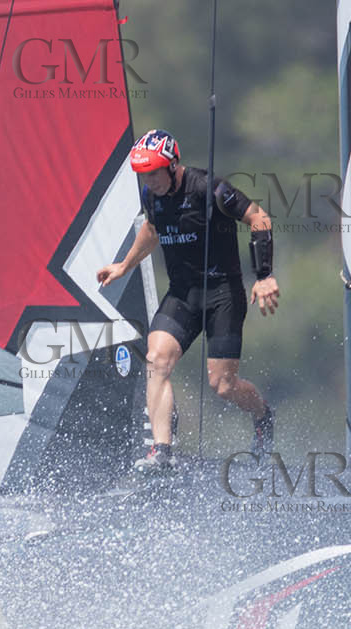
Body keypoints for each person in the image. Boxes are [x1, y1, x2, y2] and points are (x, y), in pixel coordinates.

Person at [96, 129, 280, 473]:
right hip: (183, 294)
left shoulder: (210, 189)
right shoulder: (152, 196)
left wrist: (264, 275)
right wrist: (124, 265)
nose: (149, 181)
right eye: (143, 175)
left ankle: (262, 414)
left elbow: (260, 218)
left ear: (172, 165)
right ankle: (162, 450)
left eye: (154, 173)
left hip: (223, 294)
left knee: (223, 386)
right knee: (156, 360)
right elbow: (152, 229)